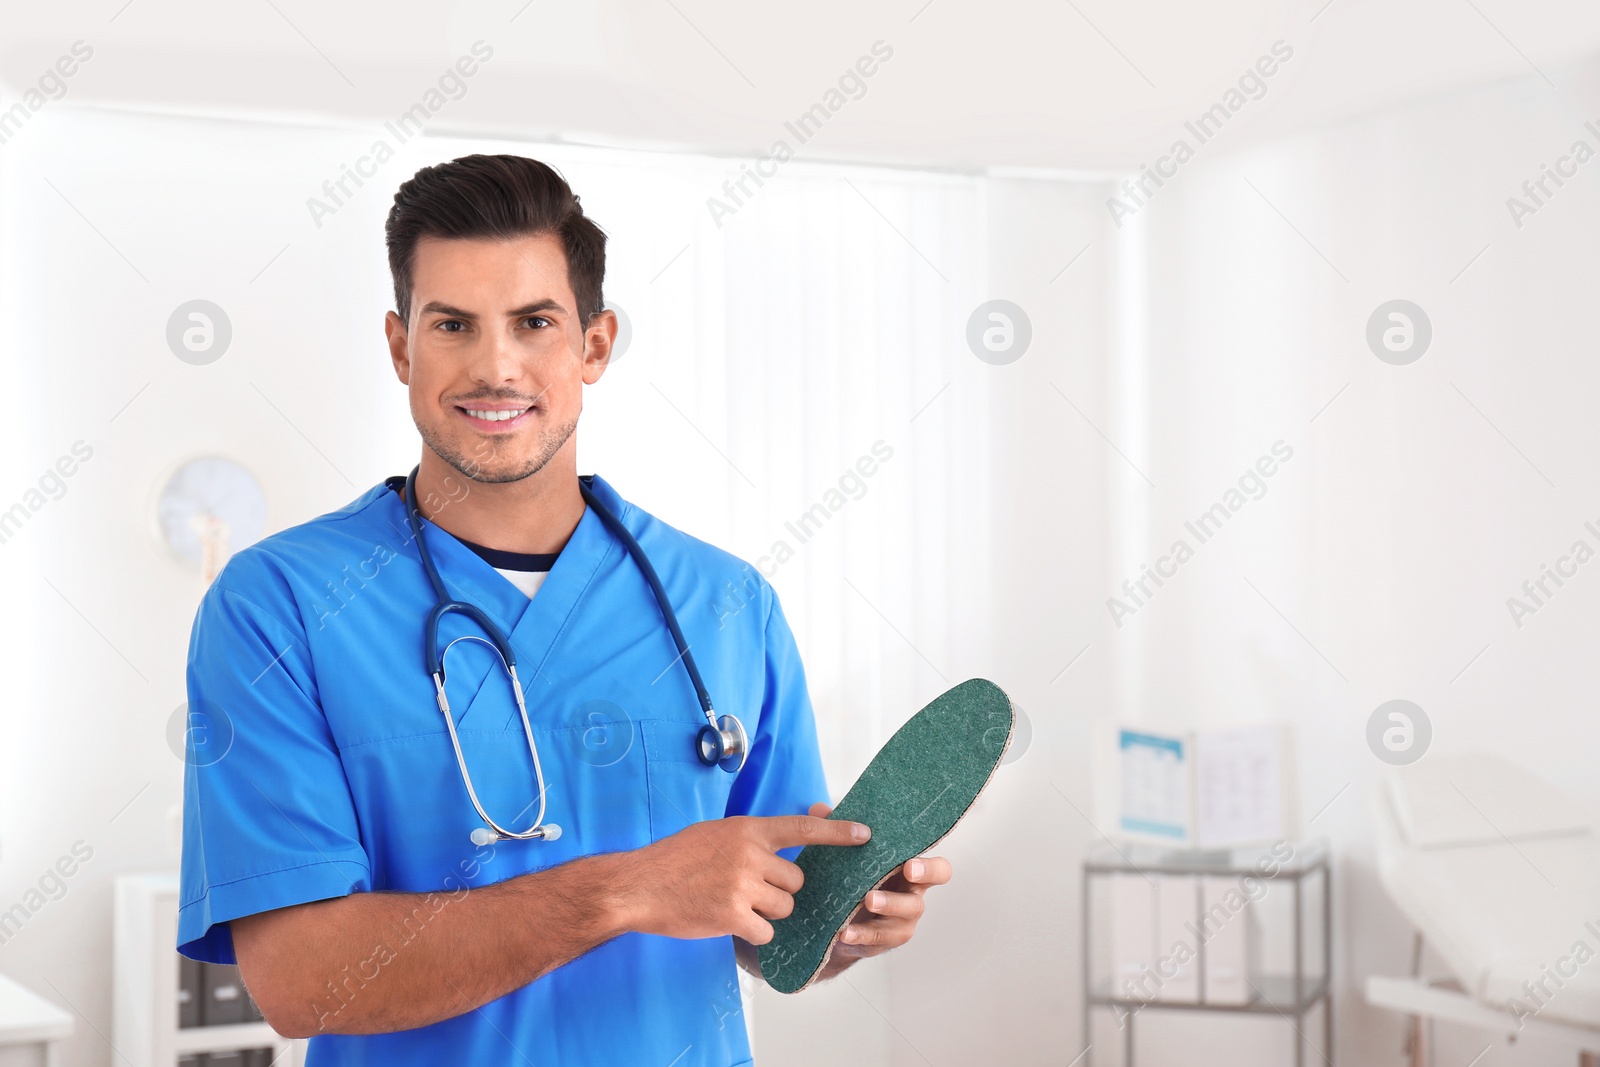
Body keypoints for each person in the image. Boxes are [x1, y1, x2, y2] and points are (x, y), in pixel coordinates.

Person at [176, 153, 952, 1065]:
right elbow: (300, 981)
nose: (494, 365)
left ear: (593, 346)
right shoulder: (281, 605)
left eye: (534, 322)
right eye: (453, 324)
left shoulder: (730, 605)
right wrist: (624, 889)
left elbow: (769, 927)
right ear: (401, 347)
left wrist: (844, 922)